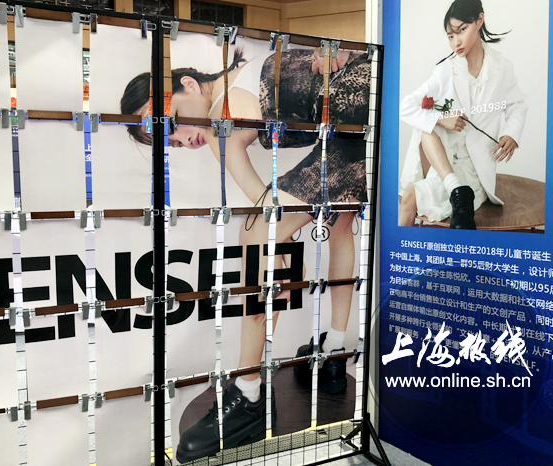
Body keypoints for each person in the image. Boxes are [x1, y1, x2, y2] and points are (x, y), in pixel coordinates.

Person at [121, 45, 370, 463]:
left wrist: (278, 253)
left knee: (254, 235)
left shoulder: (220, 120)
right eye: (173, 143)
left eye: (175, 123)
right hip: (364, 113)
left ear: (188, 84)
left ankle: (249, 392)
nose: (183, 139)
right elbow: (273, 208)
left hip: (356, 113)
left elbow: (266, 214)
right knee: (339, 221)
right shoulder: (246, 69)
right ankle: (334, 349)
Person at [398, 0, 527, 229]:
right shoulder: (446, 70)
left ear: (479, 20)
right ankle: (456, 189)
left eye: (462, 30)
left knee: (410, 197)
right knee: (426, 127)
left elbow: (517, 104)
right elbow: (405, 107)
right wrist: (441, 119)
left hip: (476, 168)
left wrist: (511, 134)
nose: (455, 42)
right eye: (450, 36)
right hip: (445, 164)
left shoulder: (501, 67)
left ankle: (459, 194)